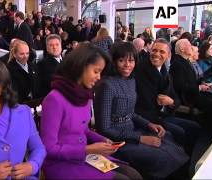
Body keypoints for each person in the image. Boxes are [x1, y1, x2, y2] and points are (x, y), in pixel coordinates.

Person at [40, 44, 142, 179]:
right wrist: (88, 149)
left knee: (134, 174)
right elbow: (49, 148)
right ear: (80, 67)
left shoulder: (84, 95)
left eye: (101, 72)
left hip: (85, 156)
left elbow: (84, 130)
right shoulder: (54, 99)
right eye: (96, 71)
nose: (99, 77)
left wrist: (103, 140)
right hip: (62, 164)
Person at [94, 42, 189, 179]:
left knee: (170, 142)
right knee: (162, 156)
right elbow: (104, 128)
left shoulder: (131, 80)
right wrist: (141, 138)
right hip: (117, 141)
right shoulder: (107, 85)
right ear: (114, 61)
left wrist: (149, 124)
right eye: (122, 60)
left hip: (132, 131)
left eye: (131, 61)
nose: (127, 65)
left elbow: (131, 113)